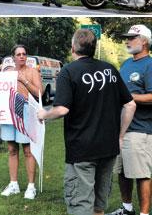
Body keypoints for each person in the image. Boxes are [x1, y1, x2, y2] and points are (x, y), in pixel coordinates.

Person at [37, 29, 136, 215]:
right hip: (108, 148)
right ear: (93, 47)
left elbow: (62, 109)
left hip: (82, 150)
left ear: (73, 47)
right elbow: (130, 105)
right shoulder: (110, 70)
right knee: (99, 205)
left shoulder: (69, 71)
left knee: (81, 205)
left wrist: (43, 114)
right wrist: (120, 136)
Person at [108, 24, 152, 215]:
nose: (127, 41)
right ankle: (127, 209)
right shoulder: (126, 64)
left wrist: (128, 97)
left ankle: (143, 213)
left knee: (142, 174)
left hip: (140, 130)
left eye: (131, 38)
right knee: (123, 171)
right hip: (121, 130)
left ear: (144, 41)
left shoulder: (149, 65)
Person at [0, 45, 42, 199]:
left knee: (28, 150)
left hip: (26, 111)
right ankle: (14, 184)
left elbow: (40, 93)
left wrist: (24, 80)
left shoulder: (32, 72)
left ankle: (31, 187)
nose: (21, 56)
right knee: (12, 149)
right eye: (18, 54)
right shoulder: (7, 72)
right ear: (13, 57)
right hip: (9, 112)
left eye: (24, 54)